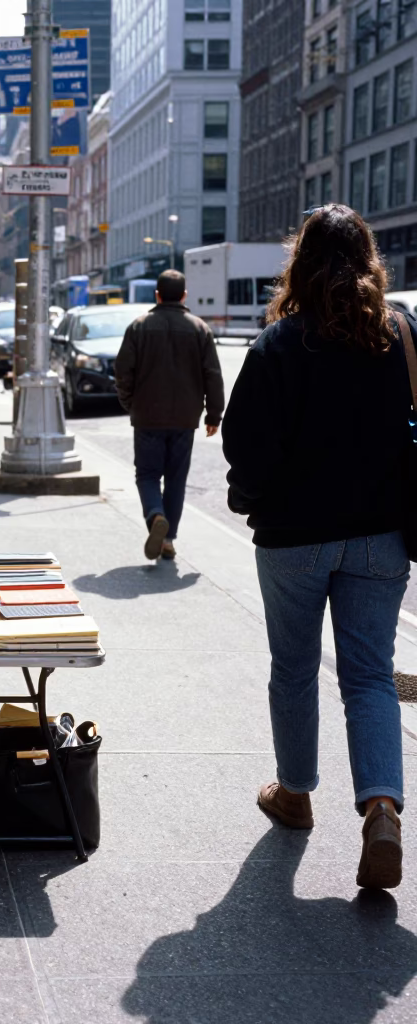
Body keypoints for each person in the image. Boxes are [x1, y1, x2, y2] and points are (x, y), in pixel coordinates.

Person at [223, 204, 417, 890]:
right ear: (369, 260)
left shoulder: (279, 345)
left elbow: (245, 446)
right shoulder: (404, 336)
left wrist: (251, 496)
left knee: (296, 668)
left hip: (294, 539)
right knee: (369, 676)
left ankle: (297, 794)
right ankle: (383, 809)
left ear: (299, 263)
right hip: (383, 536)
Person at [114, 269, 224, 560]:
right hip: (185, 418)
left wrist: (131, 403)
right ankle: (168, 539)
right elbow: (212, 374)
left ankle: (155, 516)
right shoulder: (199, 329)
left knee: (147, 475)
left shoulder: (138, 327)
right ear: (184, 296)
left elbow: (123, 372)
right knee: (176, 479)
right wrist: (214, 414)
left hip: (147, 415)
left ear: (157, 295)